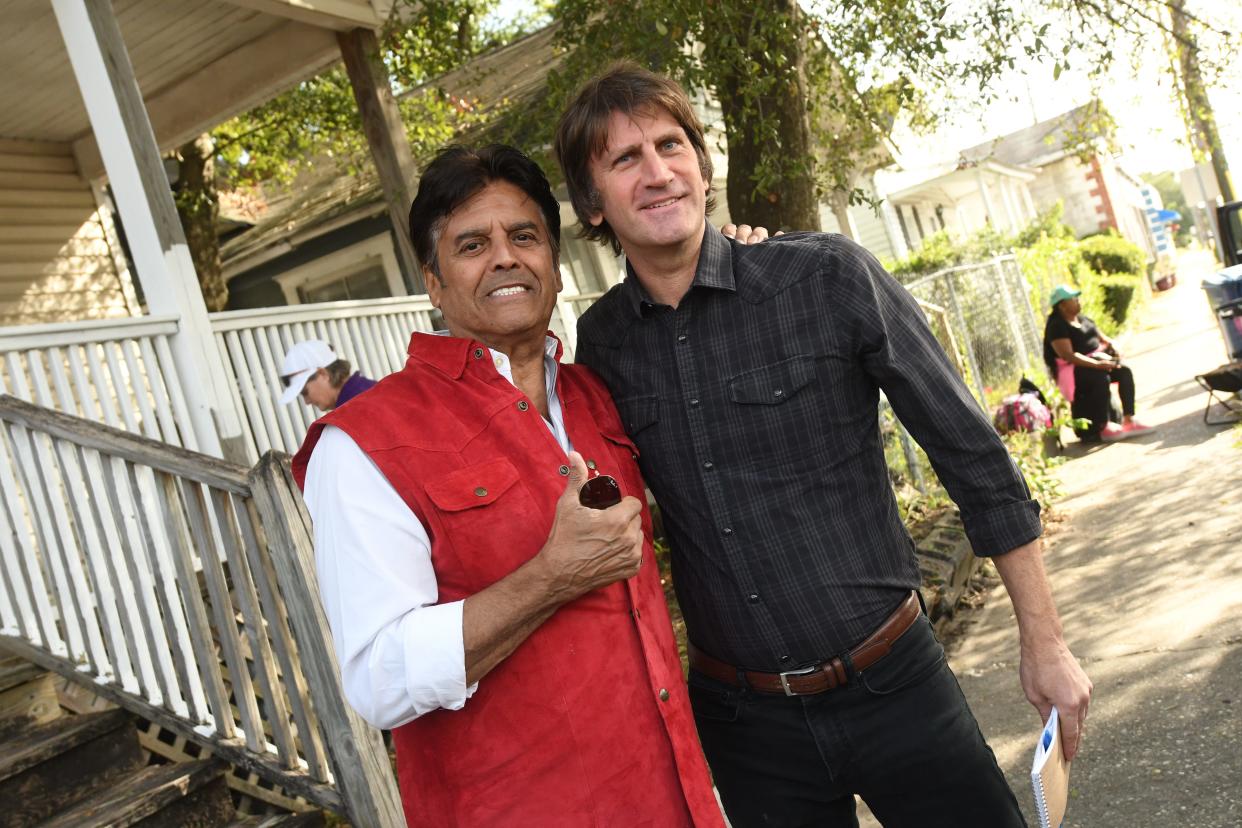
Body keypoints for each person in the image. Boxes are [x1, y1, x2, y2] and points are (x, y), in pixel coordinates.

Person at [555, 63, 1093, 828]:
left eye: (671, 146)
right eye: (624, 159)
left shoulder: (826, 277)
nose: (657, 173)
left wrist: (1045, 643)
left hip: (897, 687)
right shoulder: (601, 344)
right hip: (747, 731)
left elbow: (973, 456)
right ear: (592, 203)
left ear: (704, 168)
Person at [290, 145, 724, 826]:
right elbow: (379, 677)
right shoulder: (362, 441)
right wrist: (551, 575)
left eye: (525, 236)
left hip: (669, 794)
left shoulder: (593, 395)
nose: (505, 257)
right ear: (433, 282)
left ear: (551, 260)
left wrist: (748, 263)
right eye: (472, 244)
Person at [1043, 284, 1154, 442]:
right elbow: (1068, 355)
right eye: (1073, 299)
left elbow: (1102, 337)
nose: (1078, 301)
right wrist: (1097, 365)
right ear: (1062, 305)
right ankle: (1103, 425)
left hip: (1098, 361)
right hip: (1074, 370)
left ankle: (1129, 419)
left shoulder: (1083, 319)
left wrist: (1112, 345)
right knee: (1100, 377)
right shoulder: (1056, 326)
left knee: (1124, 371)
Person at [277, 339, 376, 411]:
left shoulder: (354, 409)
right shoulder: (369, 390)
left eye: (305, 392)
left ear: (323, 374)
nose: (307, 402)